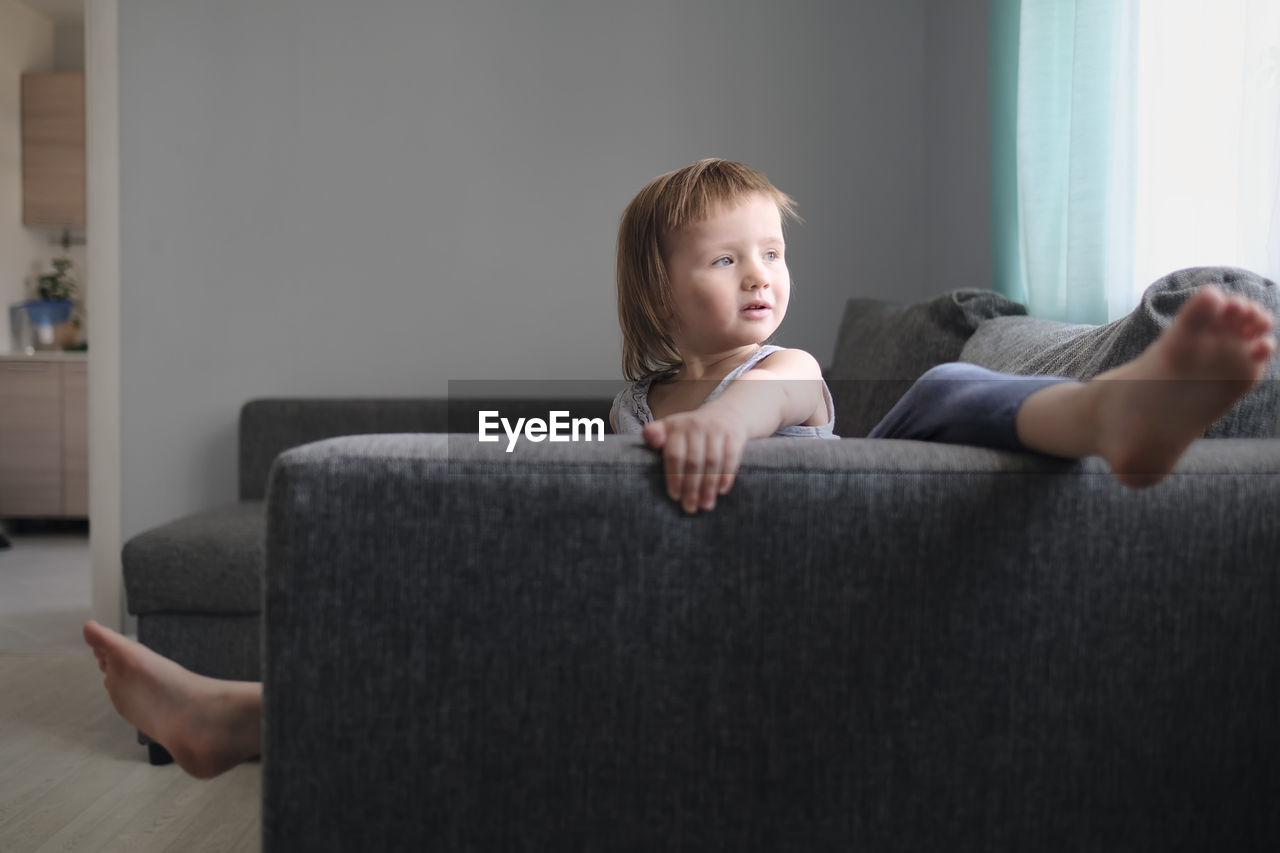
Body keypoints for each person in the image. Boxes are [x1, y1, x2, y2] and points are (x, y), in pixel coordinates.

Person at [84, 158, 1276, 779]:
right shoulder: (636, 403)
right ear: (656, 295)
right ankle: (239, 716)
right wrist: (509, 464)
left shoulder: (785, 365)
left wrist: (731, 422)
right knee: (481, 645)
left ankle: (1118, 412)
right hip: (701, 623)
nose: (758, 276)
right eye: (721, 260)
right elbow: (588, 483)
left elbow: (777, 397)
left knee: (946, 390)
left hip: (845, 571)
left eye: (770, 251)